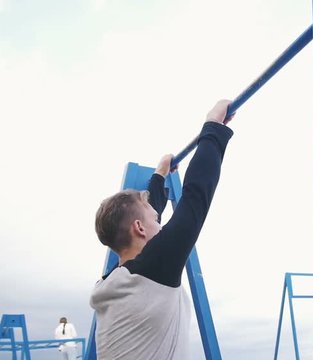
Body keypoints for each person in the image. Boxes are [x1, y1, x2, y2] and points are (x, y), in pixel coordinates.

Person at [90, 99, 234, 359]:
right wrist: (213, 127)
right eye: (157, 220)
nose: (161, 225)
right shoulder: (151, 272)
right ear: (138, 228)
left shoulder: (112, 281)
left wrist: (159, 176)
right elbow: (195, 198)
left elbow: (147, 221)